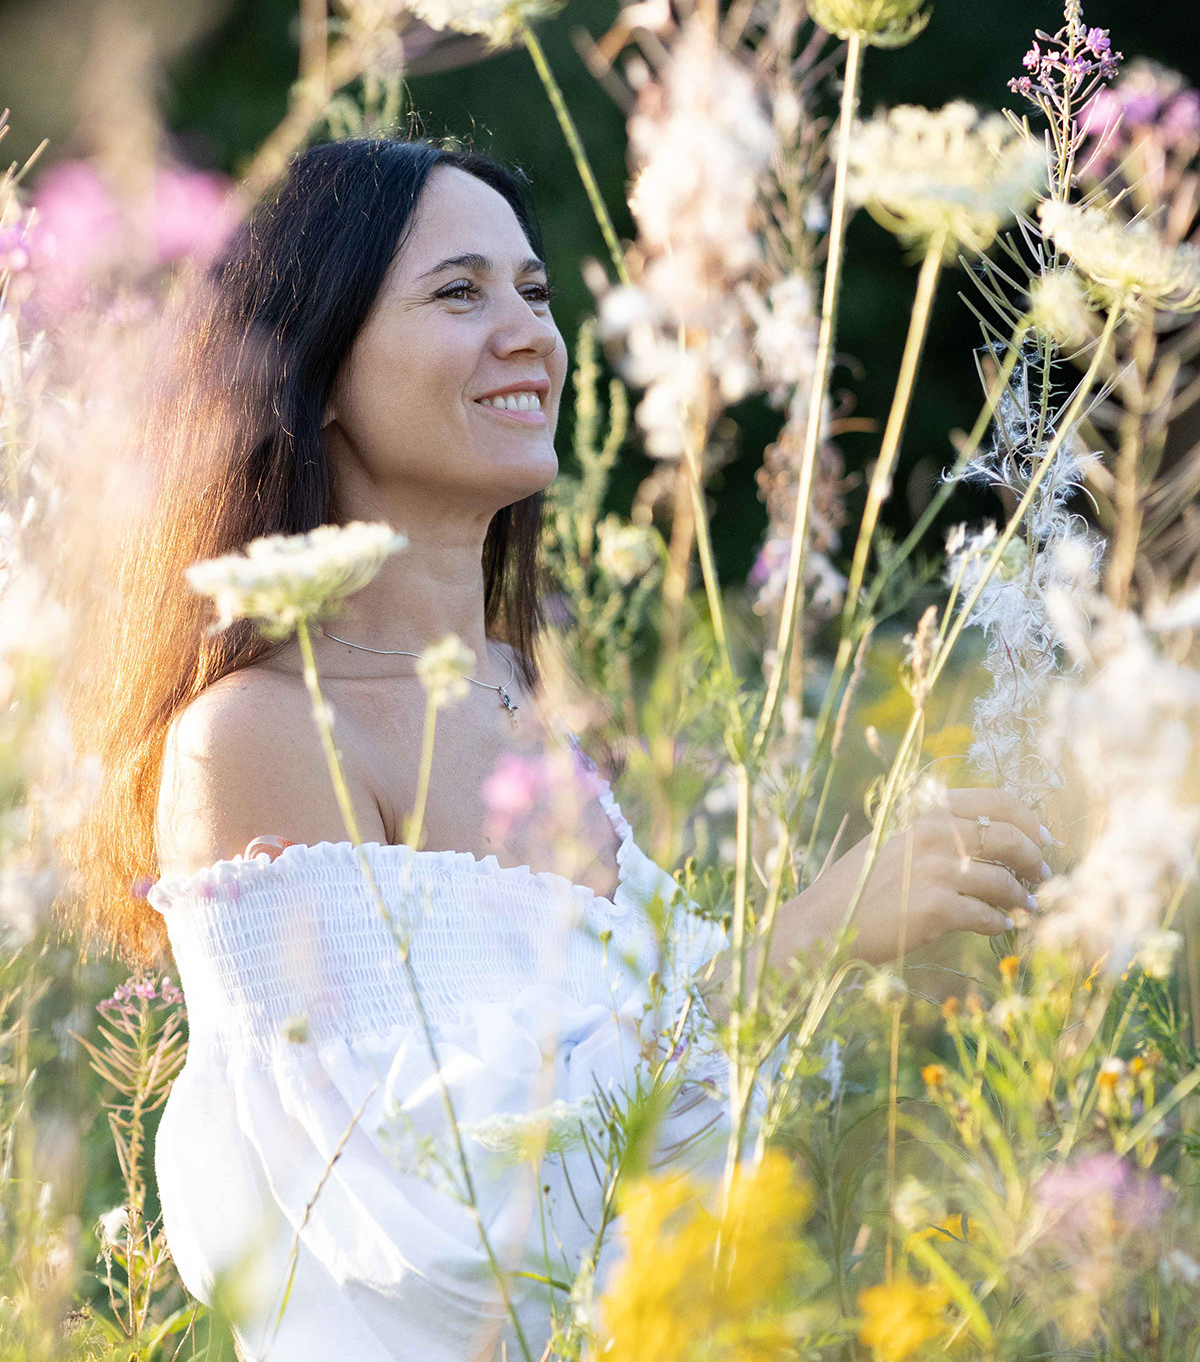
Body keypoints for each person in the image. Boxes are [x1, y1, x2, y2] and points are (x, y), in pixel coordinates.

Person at [61, 137, 1049, 1362]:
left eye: (533, 292)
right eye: (459, 292)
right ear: (319, 370)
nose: (529, 332)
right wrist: (810, 941)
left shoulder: (518, 701)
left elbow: (676, 1125)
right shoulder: (256, 736)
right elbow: (426, 1227)